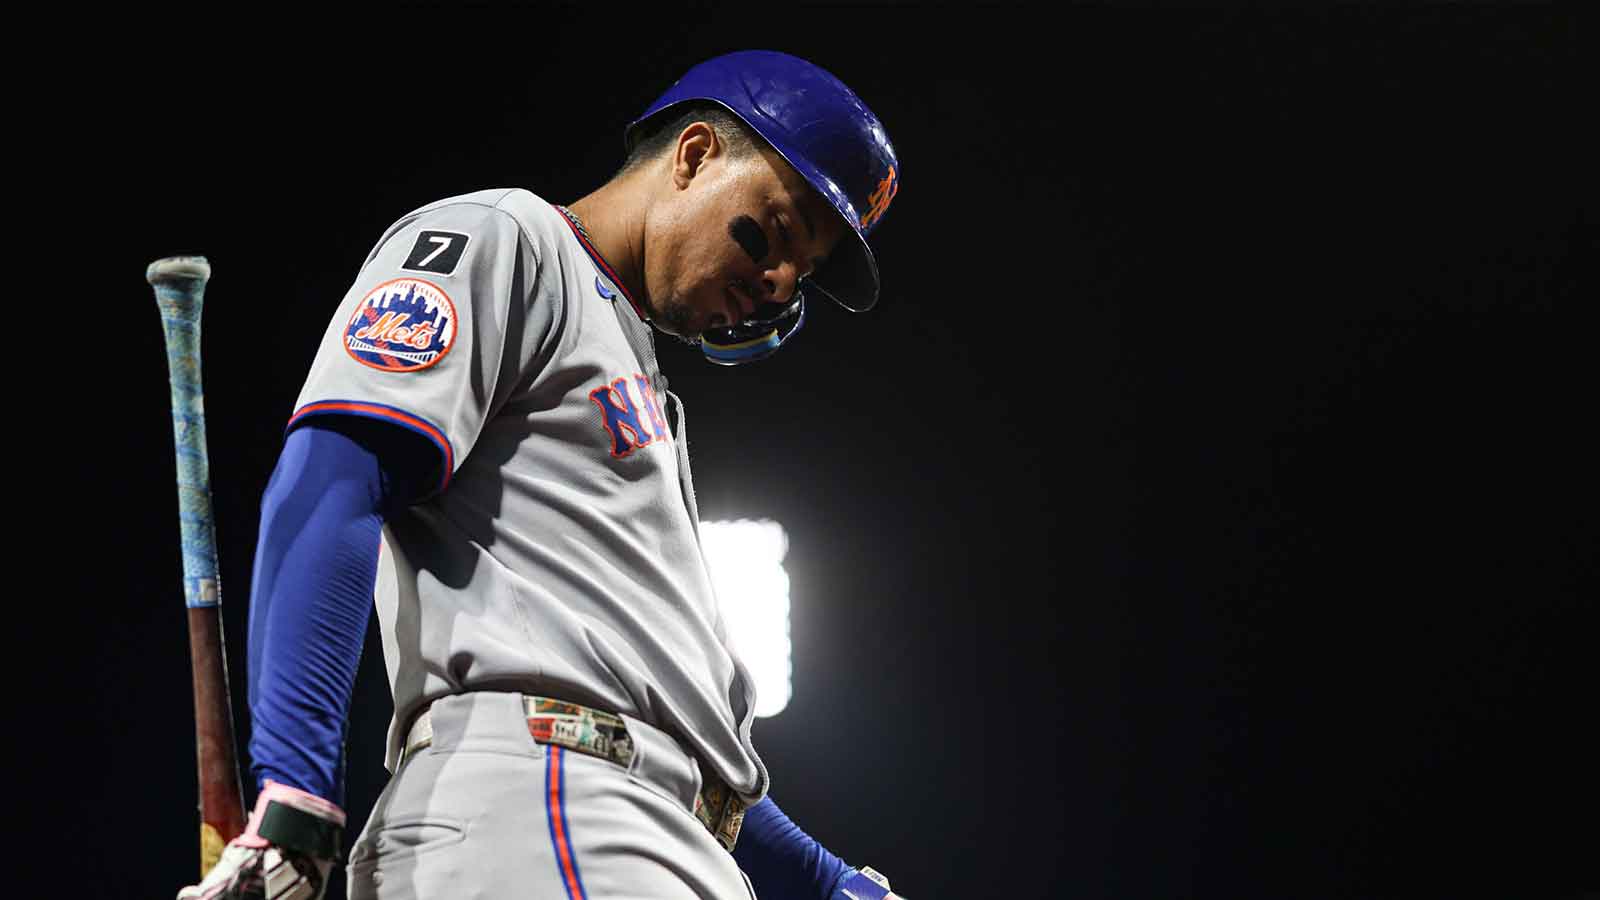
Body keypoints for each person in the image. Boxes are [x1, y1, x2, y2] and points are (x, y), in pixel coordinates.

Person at [176, 50, 905, 900]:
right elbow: (336, 475)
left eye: (802, 271)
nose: (778, 282)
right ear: (695, 156)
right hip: (554, 810)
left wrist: (826, 884)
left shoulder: (639, 377)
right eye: (772, 234)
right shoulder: (509, 236)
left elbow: (679, 739)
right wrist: (296, 795)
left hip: (628, 825)